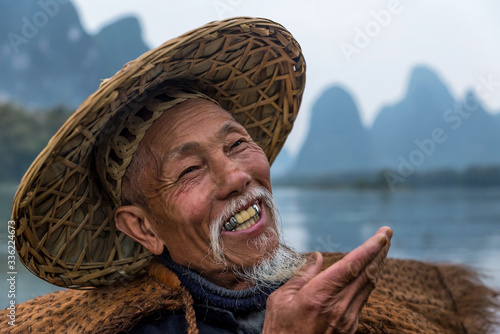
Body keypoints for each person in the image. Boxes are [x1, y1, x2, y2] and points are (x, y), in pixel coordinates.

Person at [1, 17, 498, 334]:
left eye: (238, 144)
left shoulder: (334, 294)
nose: (237, 175)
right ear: (143, 227)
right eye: (191, 169)